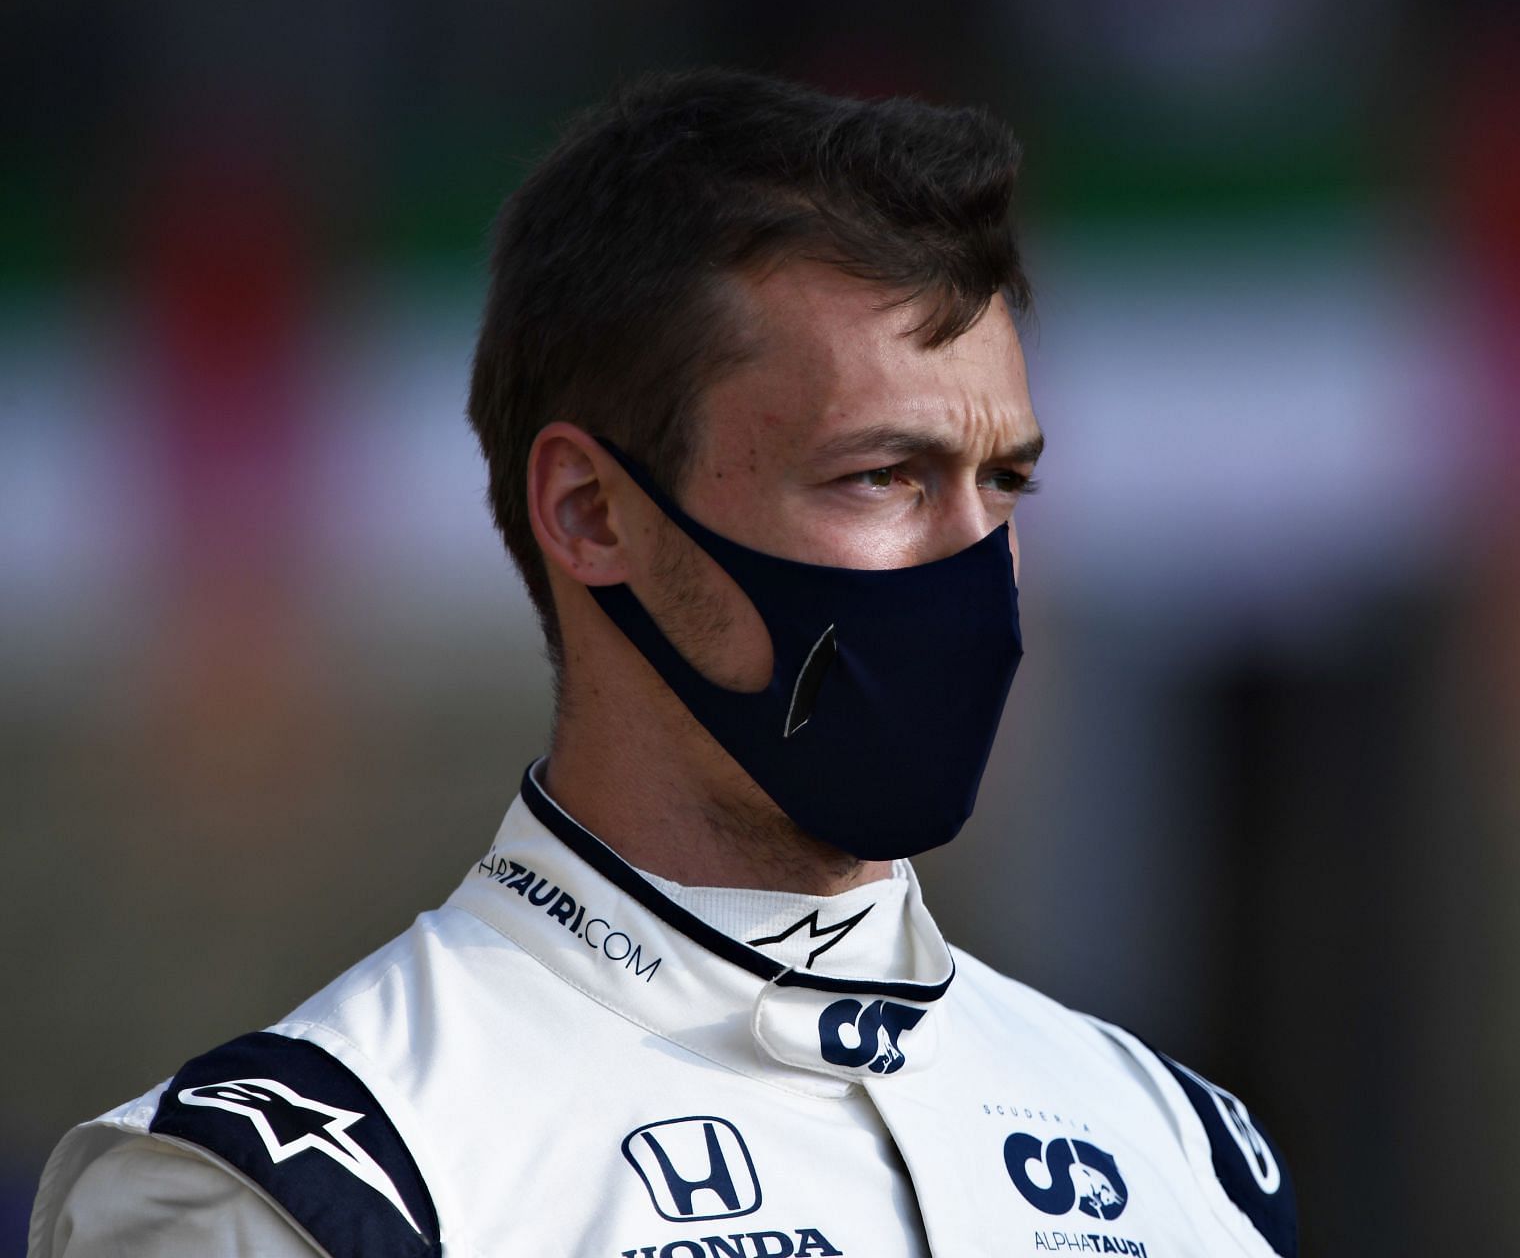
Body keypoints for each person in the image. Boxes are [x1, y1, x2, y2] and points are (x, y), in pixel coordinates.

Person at [29, 68, 1298, 1258]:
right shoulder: (292, 1187)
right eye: (881, 477)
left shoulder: (1177, 1145)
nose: (977, 565)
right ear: (592, 511)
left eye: (1003, 483)